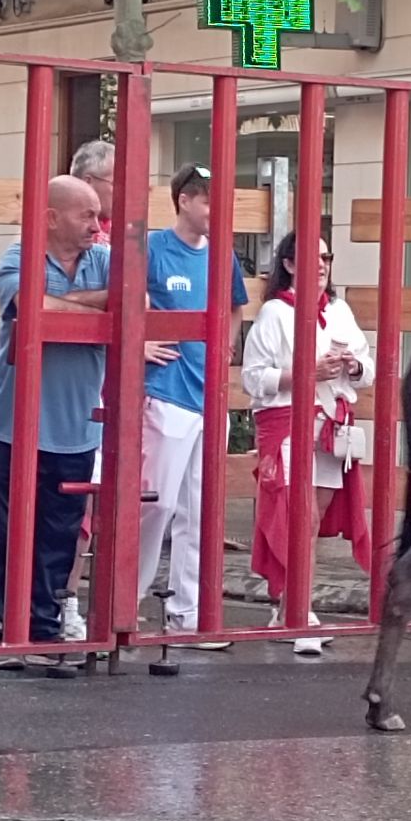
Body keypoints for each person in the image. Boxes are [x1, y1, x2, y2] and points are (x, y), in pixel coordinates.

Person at [0, 174, 110, 666]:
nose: (96, 224)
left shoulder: (106, 259)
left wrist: (64, 307)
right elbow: (26, 307)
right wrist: (95, 306)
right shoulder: (20, 257)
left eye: (97, 214)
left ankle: (45, 633)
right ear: (51, 217)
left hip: (76, 424)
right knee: (12, 532)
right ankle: (11, 633)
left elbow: (135, 304)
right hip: (13, 422)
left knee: (60, 531)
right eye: (86, 214)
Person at [242, 230, 373, 656]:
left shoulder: (339, 310)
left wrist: (352, 366)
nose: (319, 265)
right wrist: (303, 372)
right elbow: (252, 378)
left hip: (329, 426)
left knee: (312, 519)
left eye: (325, 257)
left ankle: (288, 605)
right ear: (290, 264)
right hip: (288, 422)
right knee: (295, 516)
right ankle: (298, 609)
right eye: (309, 258)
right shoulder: (274, 314)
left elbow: (368, 368)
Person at [138, 164, 247, 647]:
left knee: (201, 512)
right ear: (184, 200)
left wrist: (228, 344)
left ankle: (189, 616)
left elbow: (236, 305)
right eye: (208, 201)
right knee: (155, 505)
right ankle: (125, 603)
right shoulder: (154, 249)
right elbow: (126, 304)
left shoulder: (222, 256)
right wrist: (139, 344)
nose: (216, 212)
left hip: (210, 396)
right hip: (166, 393)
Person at [59, 137, 117, 636]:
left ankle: (92, 605)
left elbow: (139, 299)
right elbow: (42, 305)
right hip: (63, 397)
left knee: (97, 504)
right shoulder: (64, 237)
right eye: (114, 181)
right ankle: (61, 602)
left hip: (106, 393)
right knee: (62, 511)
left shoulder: (118, 245)